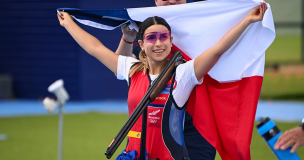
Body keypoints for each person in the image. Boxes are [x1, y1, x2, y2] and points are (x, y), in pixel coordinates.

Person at [57, 2, 266, 159]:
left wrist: (247, 20)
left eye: (163, 37)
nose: (158, 43)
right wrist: (69, 24)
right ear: (141, 43)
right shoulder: (133, 69)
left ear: (171, 40)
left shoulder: (184, 74)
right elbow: (95, 48)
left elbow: (217, 50)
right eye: (151, 37)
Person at [115, 0, 218, 159]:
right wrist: (127, 38)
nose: (171, 0)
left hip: (197, 127)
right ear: (156, 0)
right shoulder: (147, 26)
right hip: (157, 129)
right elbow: (126, 65)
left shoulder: (203, 26)